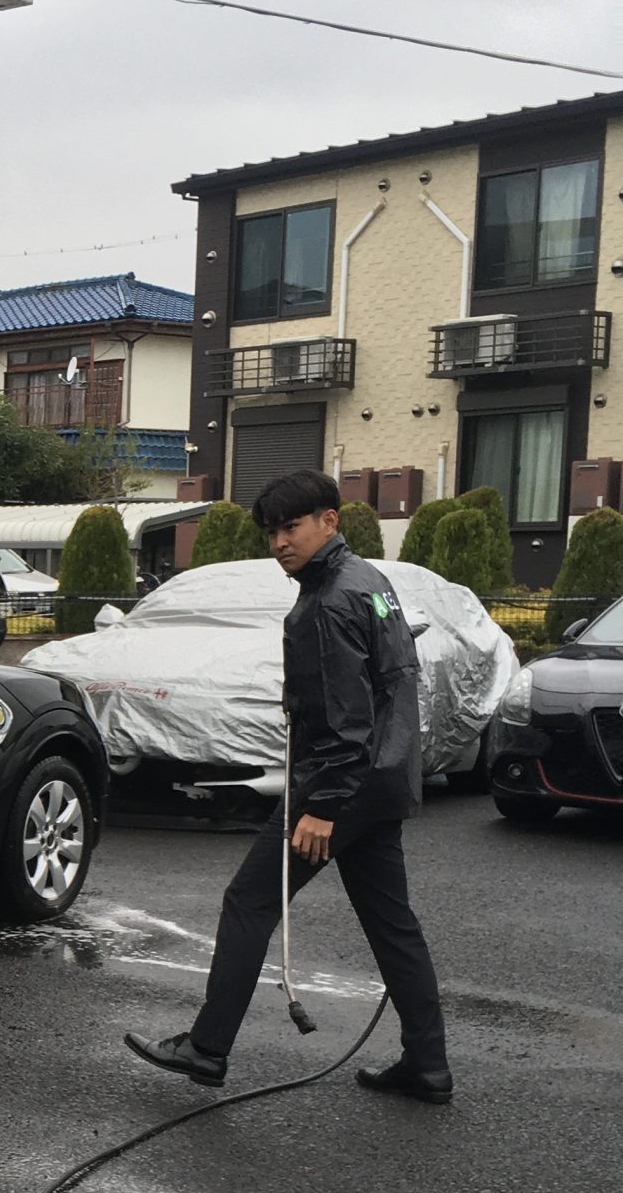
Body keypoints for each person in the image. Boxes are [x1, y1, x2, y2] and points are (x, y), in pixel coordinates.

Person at [125, 468, 452, 1101]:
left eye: (291, 527)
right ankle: (428, 1064)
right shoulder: (370, 581)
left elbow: (346, 720)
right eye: (271, 531)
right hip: (382, 780)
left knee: (249, 902)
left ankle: (207, 1048)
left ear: (331, 520)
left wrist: (322, 806)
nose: (279, 542)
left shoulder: (328, 604)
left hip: (340, 786)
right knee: (393, 925)